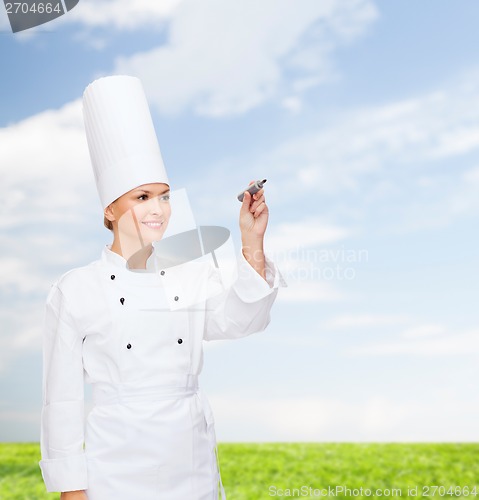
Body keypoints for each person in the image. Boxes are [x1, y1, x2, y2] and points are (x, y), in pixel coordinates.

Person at [39, 75, 286, 499]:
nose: (159, 210)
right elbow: (60, 401)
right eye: (142, 197)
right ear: (110, 207)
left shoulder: (184, 270)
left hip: (189, 461)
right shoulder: (75, 290)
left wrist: (251, 241)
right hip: (114, 468)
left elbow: (243, 321)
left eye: (165, 196)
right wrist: (72, 491)